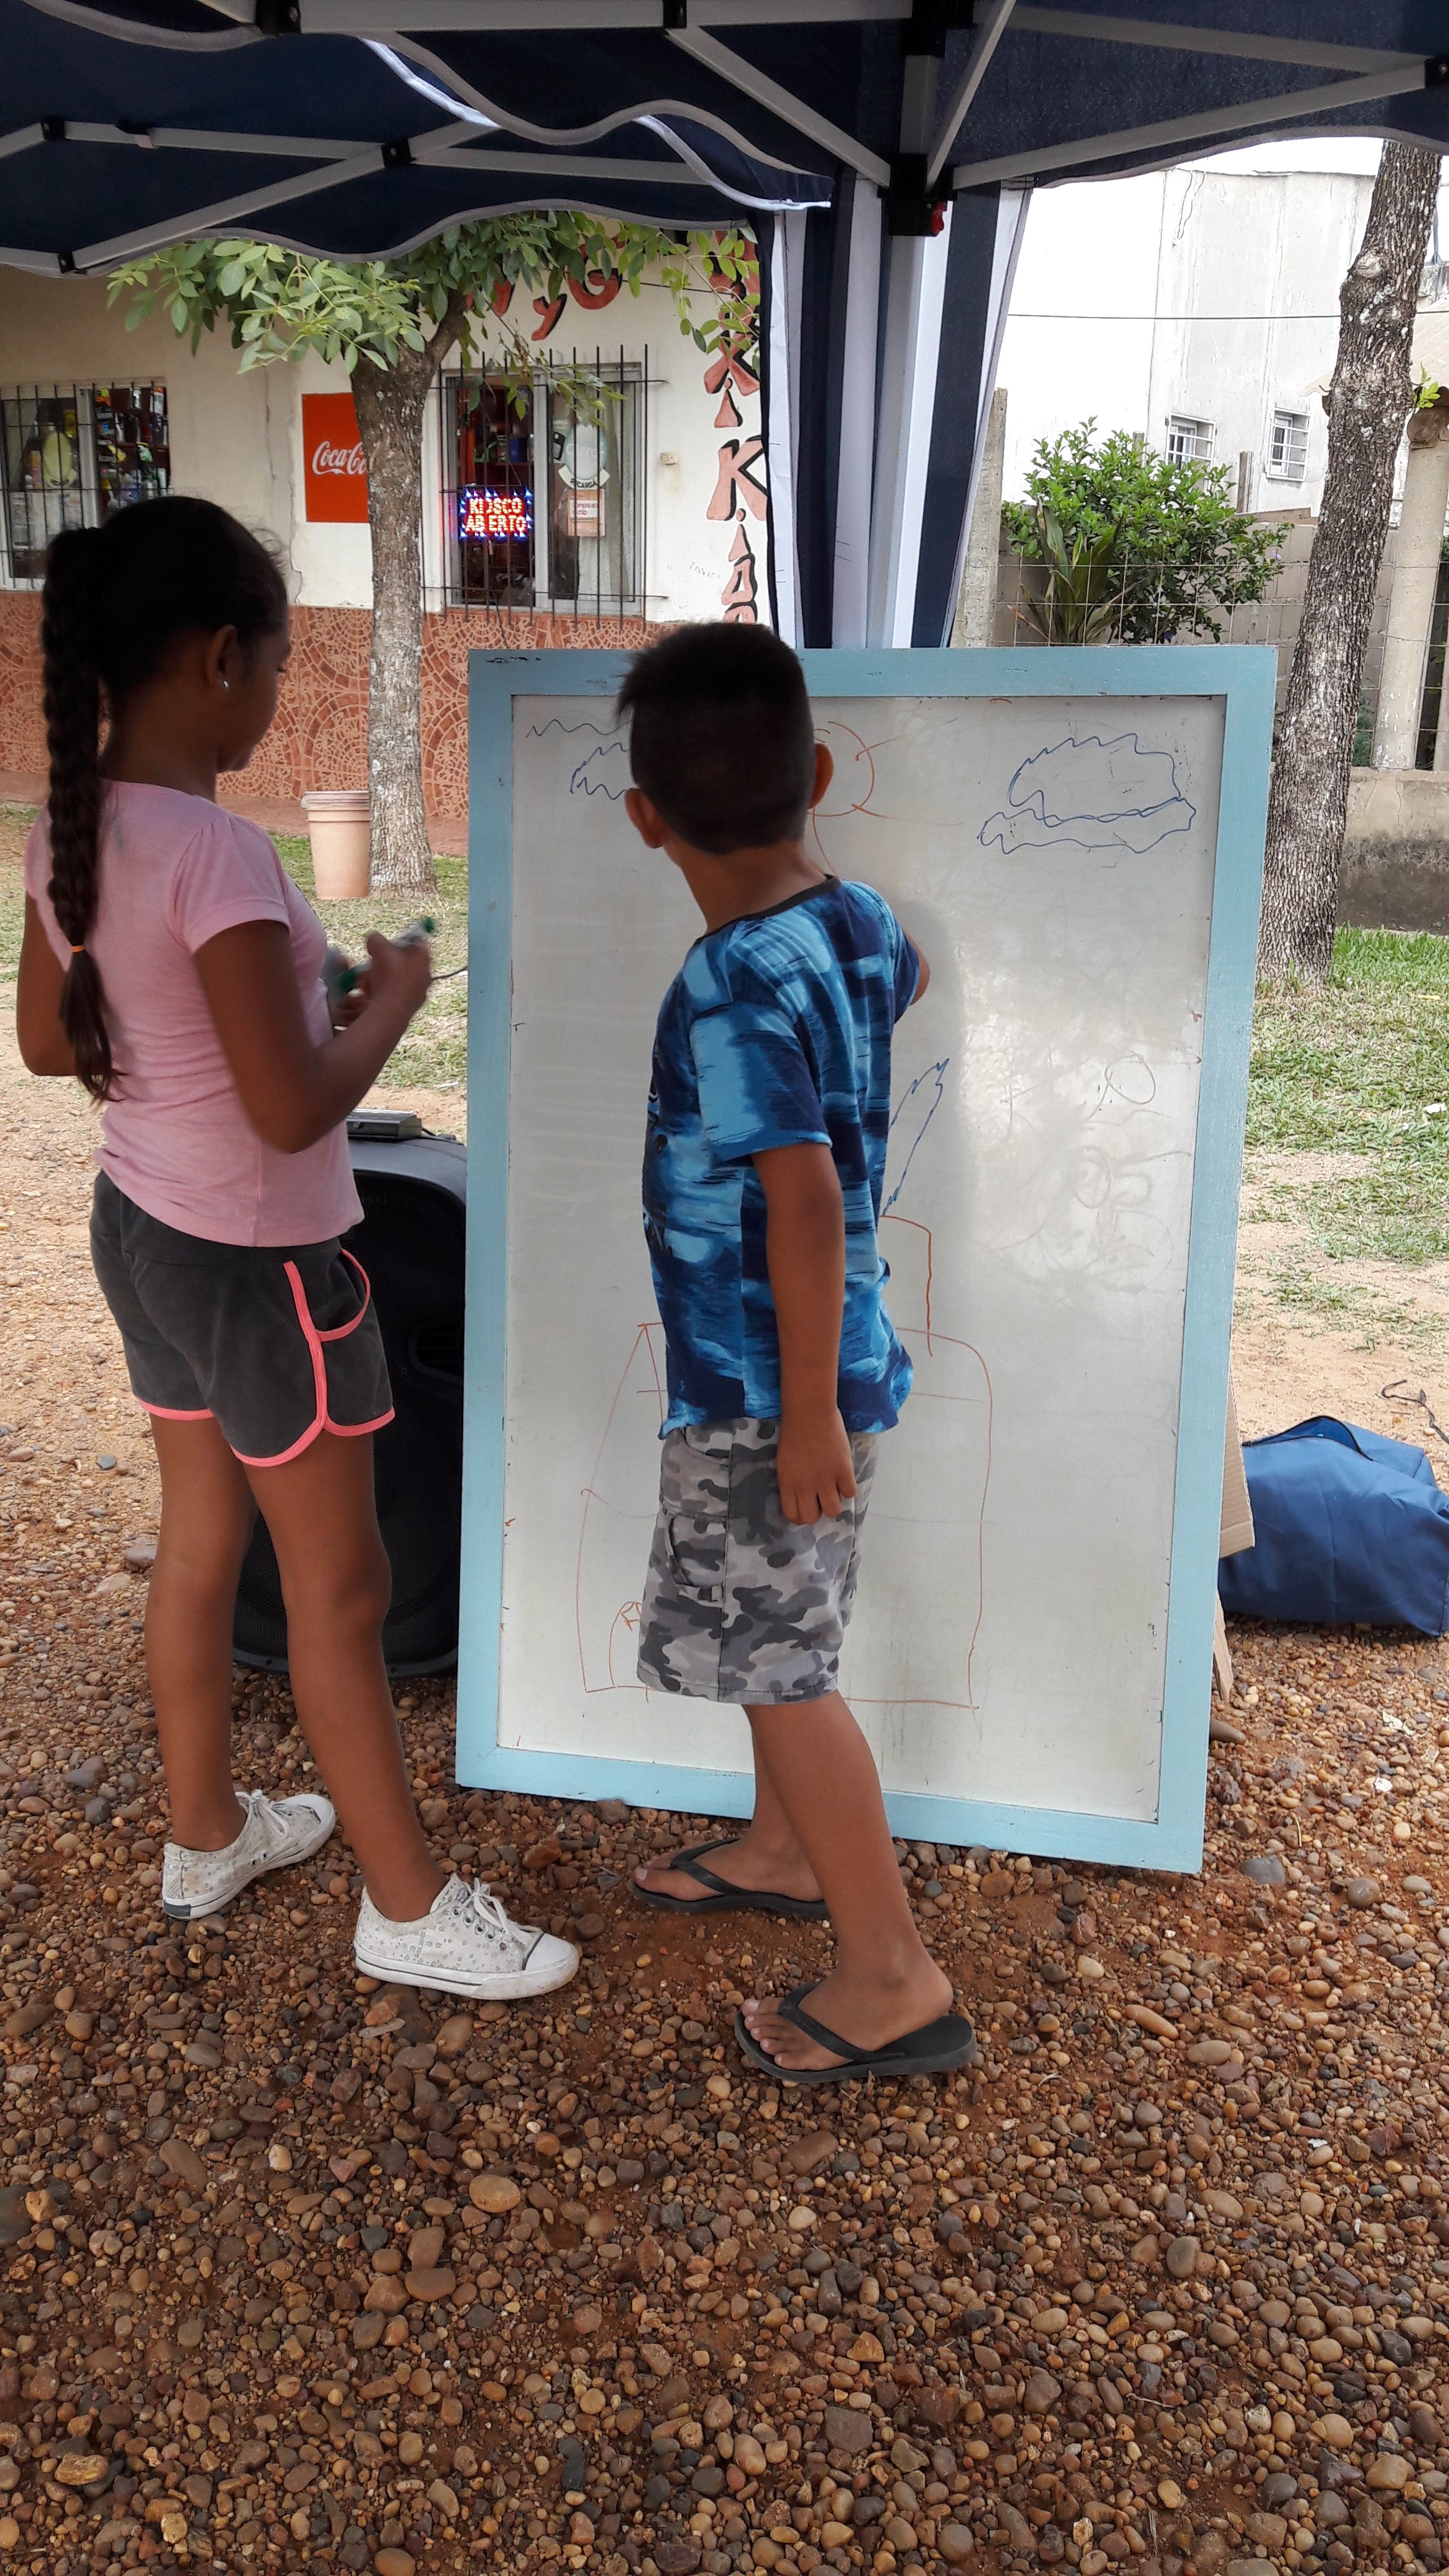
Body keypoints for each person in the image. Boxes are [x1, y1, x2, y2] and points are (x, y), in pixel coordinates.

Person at [16, 494, 576, 2005]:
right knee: (341, 1585)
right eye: (273, 664)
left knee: (202, 1541)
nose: (275, 692)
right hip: (265, 1265)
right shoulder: (221, 851)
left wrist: (262, 1021)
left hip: (144, 1234)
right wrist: (389, 1001)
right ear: (219, 659)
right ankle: (405, 1906)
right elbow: (290, 1109)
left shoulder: (73, 826)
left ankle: (206, 1833)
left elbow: (47, 1044)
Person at [620, 623, 976, 2084]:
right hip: (811, 1374)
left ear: (644, 817)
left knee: (780, 1669)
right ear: (817, 775)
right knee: (772, 1642)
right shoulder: (861, 924)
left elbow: (808, 1198)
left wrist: (809, 1411)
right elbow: (906, 985)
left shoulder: (726, 980)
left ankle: (893, 1976)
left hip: (774, 1394)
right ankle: (779, 1849)